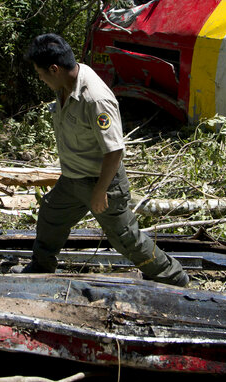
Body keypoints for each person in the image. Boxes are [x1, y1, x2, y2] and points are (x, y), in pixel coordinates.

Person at [14, 33, 189, 286]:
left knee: (125, 237)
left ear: (55, 69)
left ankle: (174, 277)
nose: (40, 79)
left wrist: (100, 190)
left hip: (102, 182)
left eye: (41, 74)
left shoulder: (95, 98)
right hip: (73, 179)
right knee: (51, 217)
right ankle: (41, 267)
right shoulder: (64, 84)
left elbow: (114, 150)